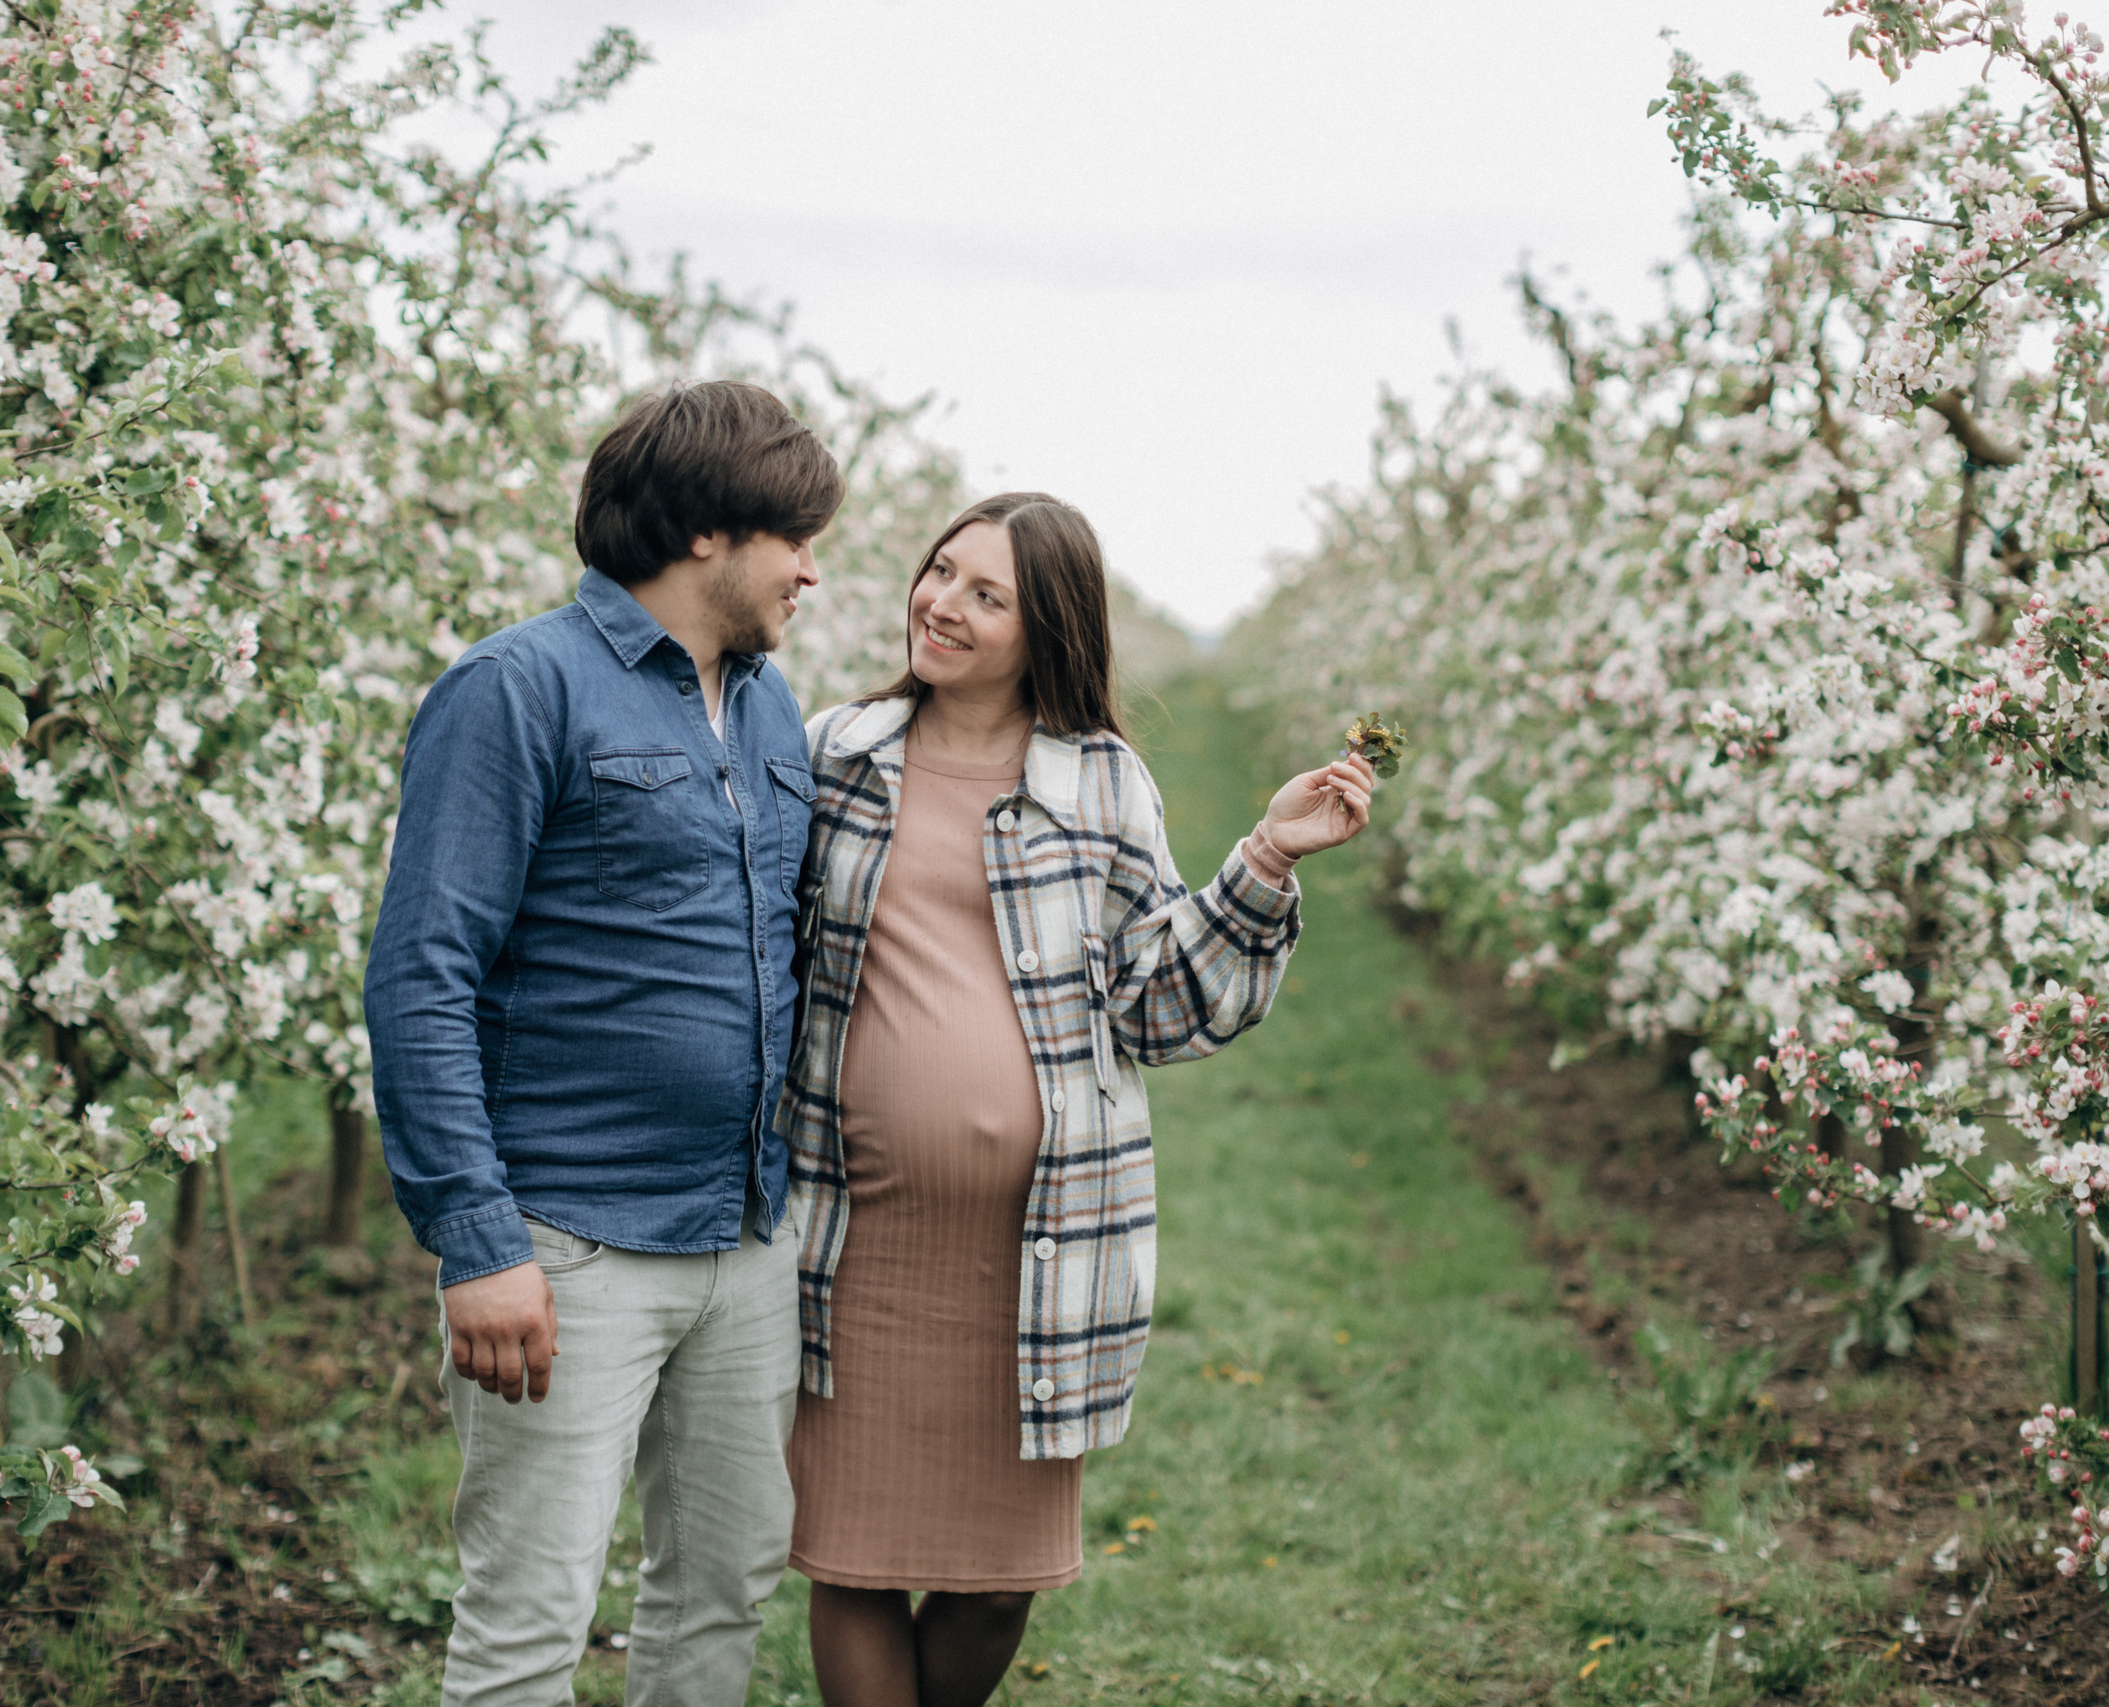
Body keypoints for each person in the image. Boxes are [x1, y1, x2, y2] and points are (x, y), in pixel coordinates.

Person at [779, 493, 1374, 1707]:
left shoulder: (1101, 786)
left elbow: (1159, 1006)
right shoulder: (832, 755)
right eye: (939, 573)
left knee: (997, 1580)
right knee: (853, 1561)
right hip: (856, 1239)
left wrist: (1261, 862)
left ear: (1044, 627)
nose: (941, 604)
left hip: (1036, 1253)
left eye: (985, 594)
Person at [364, 380, 843, 1707]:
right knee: (529, 1621)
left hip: (744, 1235)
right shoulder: (516, 690)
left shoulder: (763, 704)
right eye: (794, 535)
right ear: (705, 531)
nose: (812, 568)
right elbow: (423, 968)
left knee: (721, 1592)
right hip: (567, 1242)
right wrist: (479, 1236)